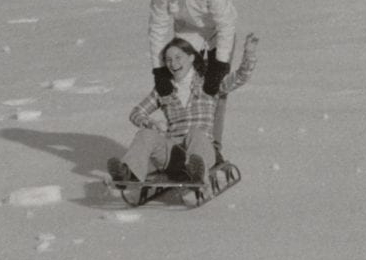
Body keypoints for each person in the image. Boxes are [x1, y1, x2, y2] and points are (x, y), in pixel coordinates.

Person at [109, 32, 259, 186]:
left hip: (202, 150)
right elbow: (136, 112)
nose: (173, 63)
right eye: (168, 60)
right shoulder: (164, 89)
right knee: (146, 134)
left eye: (178, 57)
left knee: (195, 133)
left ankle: (196, 172)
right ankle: (127, 174)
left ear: (191, 57)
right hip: (173, 154)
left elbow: (240, 77)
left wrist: (250, 53)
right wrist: (149, 123)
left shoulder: (208, 84)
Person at [148, 0, 237, 97]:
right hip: (187, 32)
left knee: (214, 85)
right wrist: (159, 71)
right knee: (182, 77)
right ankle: (182, 113)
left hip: (217, 32)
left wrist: (220, 64)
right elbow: (157, 31)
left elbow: (225, 24)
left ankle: (213, 110)